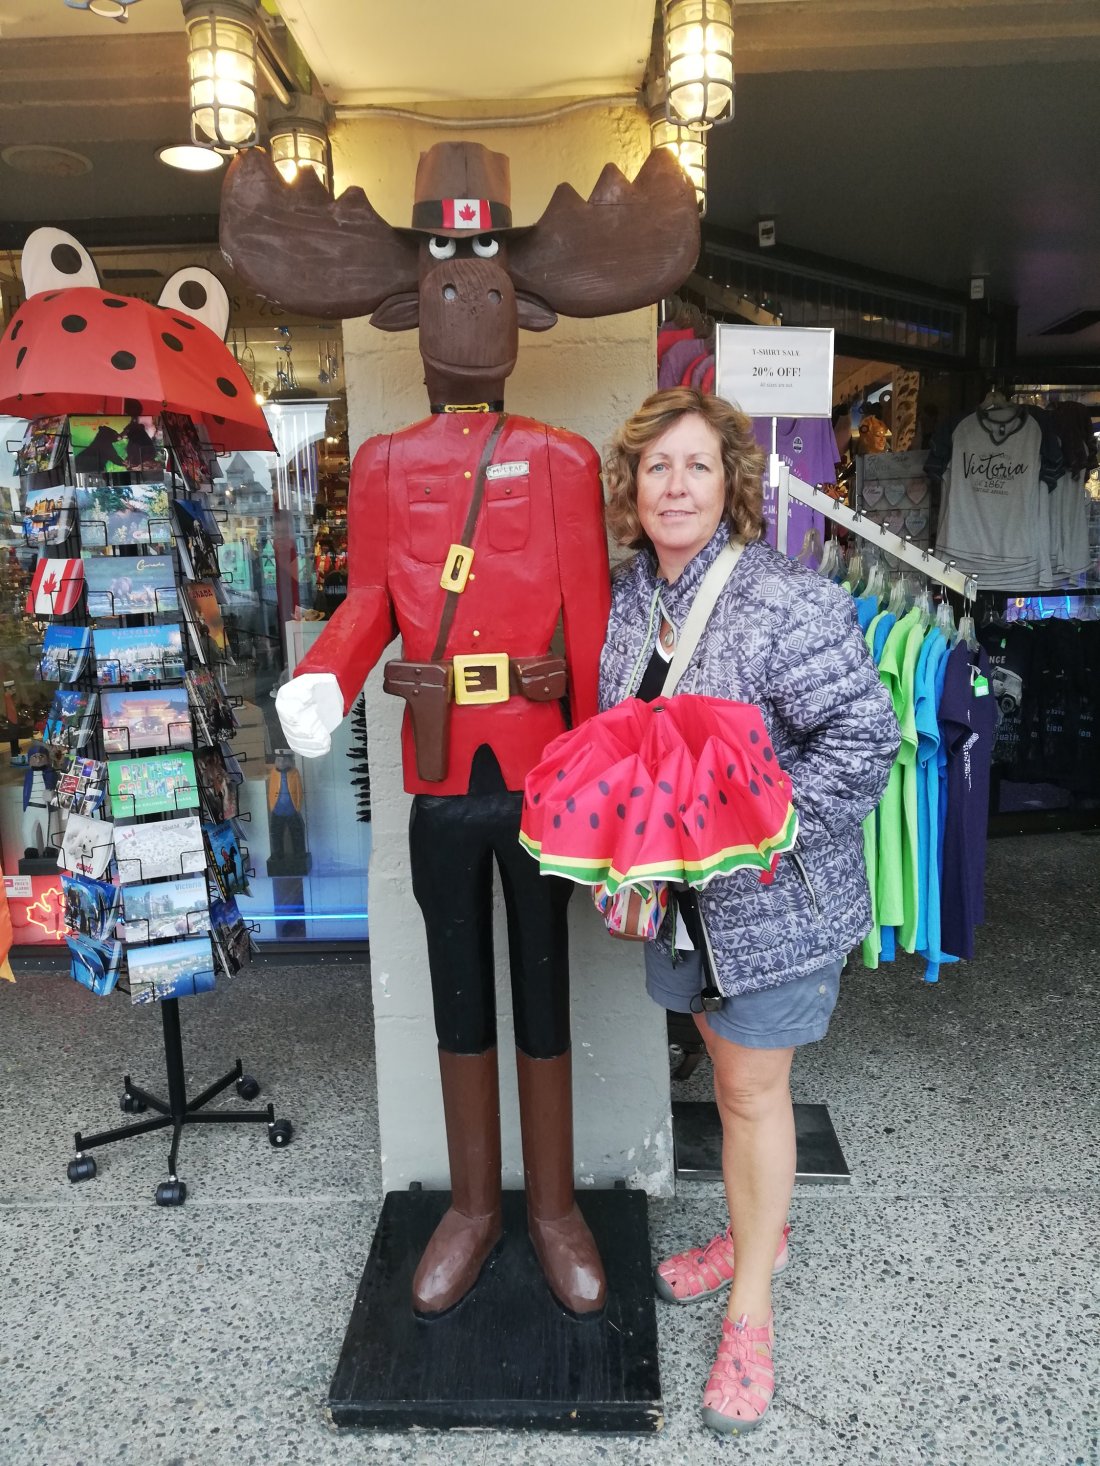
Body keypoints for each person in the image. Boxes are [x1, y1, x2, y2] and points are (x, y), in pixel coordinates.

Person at [600, 387, 900, 1435]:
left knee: (750, 1092)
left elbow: (866, 741)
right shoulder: (629, 598)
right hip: (683, 908)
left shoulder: (784, 601)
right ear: (632, 487)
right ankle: (753, 1229)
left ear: (729, 482)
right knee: (727, 1078)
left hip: (775, 906)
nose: (675, 486)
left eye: (696, 465)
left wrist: (756, 822)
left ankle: (751, 1309)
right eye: (656, 466)